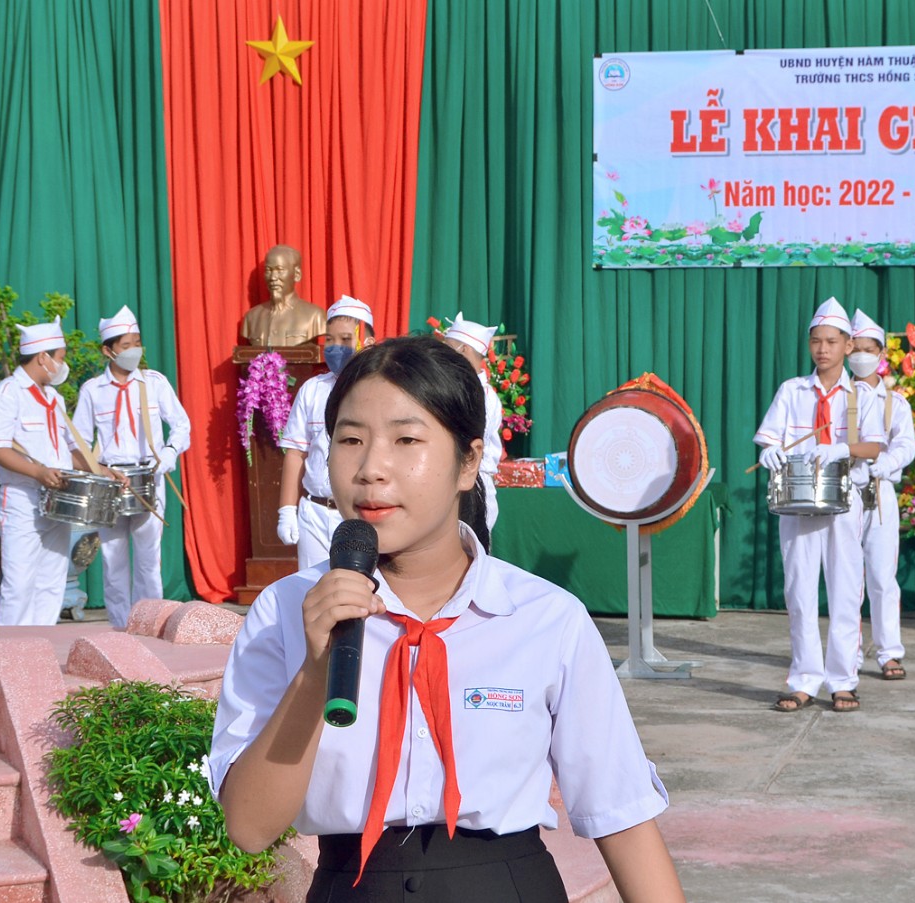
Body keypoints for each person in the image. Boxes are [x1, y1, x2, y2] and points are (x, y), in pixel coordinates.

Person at [210, 335, 683, 902]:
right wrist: (315, 672)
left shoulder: (545, 618)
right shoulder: (284, 611)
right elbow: (249, 828)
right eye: (350, 440)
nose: (371, 469)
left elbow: (620, 812)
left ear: (469, 462)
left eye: (407, 439)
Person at [753, 297, 886, 713]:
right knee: (799, 592)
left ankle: (843, 680)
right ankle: (803, 680)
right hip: (796, 504)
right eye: (816, 341)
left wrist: (842, 448)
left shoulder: (861, 395)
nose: (822, 349)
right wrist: (768, 452)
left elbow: (875, 446)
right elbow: (769, 437)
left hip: (843, 503)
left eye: (831, 341)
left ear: (848, 345)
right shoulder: (791, 390)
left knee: (845, 592)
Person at [72, 306, 191, 627]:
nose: (134, 350)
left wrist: (169, 452)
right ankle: (120, 626)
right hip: (110, 479)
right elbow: (78, 442)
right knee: (113, 561)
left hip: (149, 475)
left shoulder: (154, 383)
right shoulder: (93, 390)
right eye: (126, 345)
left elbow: (181, 424)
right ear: (108, 351)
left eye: (137, 343)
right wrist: (97, 470)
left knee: (149, 559)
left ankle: (149, 624)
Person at [0, 317, 94, 625]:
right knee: (19, 586)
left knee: (51, 584)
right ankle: (10, 650)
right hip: (23, 500)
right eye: (60, 357)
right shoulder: (7, 394)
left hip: (59, 500)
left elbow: (71, 451)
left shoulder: (55, 398)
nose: (63, 365)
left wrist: (103, 470)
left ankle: (41, 646)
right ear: (43, 357)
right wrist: (38, 473)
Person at [277, 296, 376, 569]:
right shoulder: (313, 389)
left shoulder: (381, 390)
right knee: (313, 586)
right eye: (329, 340)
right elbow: (296, 452)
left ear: (368, 343)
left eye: (346, 339)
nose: (335, 348)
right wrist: (286, 509)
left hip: (360, 514)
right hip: (315, 512)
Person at [850, 310, 915, 681]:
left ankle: (889, 652)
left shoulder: (896, 402)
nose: (861, 355)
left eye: (868, 349)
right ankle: (848, 655)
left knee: (881, 576)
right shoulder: (835, 397)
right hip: (843, 493)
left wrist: (887, 463)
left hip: (880, 494)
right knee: (847, 580)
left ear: (881, 353)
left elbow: (906, 444)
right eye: (855, 348)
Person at [439, 312, 503, 533]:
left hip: (471, 485)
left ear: (464, 349)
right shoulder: (460, 387)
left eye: (447, 348)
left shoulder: (482, 395)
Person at [239, 244, 327, 346]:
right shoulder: (251, 318)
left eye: (280, 270)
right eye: (268, 270)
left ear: (297, 275)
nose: (273, 277)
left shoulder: (315, 316)